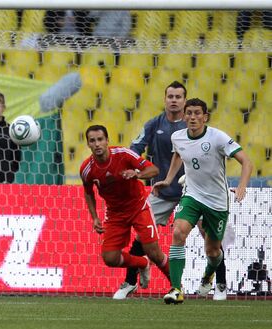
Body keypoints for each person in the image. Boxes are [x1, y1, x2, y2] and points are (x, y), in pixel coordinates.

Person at [154, 98, 253, 304]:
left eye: (197, 113)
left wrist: (242, 186)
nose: (193, 117)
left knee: (213, 250)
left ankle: (209, 274)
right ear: (184, 116)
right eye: (189, 113)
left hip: (217, 200)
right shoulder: (178, 137)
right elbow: (178, 155)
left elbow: (246, 161)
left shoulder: (218, 137)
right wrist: (168, 180)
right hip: (192, 194)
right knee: (178, 232)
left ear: (205, 116)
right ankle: (175, 289)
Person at [112, 81, 188, 299]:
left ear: (184, 100)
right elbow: (134, 150)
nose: (174, 100)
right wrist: (131, 169)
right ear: (164, 99)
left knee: (206, 236)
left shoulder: (191, 126)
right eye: (170, 96)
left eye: (178, 97)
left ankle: (217, 281)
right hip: (160, 192)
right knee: (141, 237)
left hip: (190, 192)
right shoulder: (154, 124)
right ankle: (130, 281)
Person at [80, 125, 170, 296]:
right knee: (110, 258)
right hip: (115, 214)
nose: (97, 144)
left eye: (100, 139)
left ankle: (177, 287)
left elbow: (153, 170)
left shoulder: (124, 154)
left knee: (155, 253)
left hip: (138, 207)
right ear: (88, 144)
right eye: (93, 141)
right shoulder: (87, 169)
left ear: (107, 141)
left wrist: (137, 174)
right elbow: (88, 192)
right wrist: (94, 218)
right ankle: (142, 263)